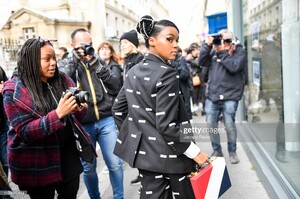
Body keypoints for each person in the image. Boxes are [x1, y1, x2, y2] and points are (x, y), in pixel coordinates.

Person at [112, 15, 209, 198]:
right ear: (152, 41)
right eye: (169, 39)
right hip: (174, 159)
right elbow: (166, 126)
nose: (175, 45)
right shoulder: (167, 74)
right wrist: (195, 153)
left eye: (177, 40)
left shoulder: (133, 71)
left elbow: (117, 109)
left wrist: (138, 138)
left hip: (146, 160)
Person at [3, 37, 93, 199]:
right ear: (31, 61)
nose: (53, 63)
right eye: (47, 59)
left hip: (67, 155)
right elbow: (25, 131)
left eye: (54, 58)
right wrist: (58, 114)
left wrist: (78, 109)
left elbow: (79, 116)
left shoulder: (63, 79)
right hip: (37, 161)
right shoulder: (13, 91)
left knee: (71, 193)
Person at [58, 28, 124, 199]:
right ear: (72, 46)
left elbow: (115, 86)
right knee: (88, 167)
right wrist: (75, 58)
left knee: (115, 164)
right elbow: (62, 78)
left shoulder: (98, 61)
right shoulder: (66, 62)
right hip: (82, 122)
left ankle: (119, 197)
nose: (86, 49)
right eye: (82, 45)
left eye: (89, 44)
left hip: (105, 118)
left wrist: (95, 63)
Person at [198, 30, 246, 164]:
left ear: (232, 41)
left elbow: (234, 67)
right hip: (213, 96)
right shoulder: (214, 52)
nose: (224, 43)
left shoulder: (239, 52)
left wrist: (221, 52)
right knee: (211, 124)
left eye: (227, 41)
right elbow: (201, 62)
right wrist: (207, 46)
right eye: (221, 40)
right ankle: (217, 150)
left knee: (229, 125)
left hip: (230, 96)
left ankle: (232, 152)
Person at [119, 29, 144, 186]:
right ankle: (143, 172)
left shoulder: (138, 59)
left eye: (125, 43)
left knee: (142, 141)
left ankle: (147, 173)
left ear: (133, 44)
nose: (122, 45)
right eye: (121, 43)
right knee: (137, 142)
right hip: (131, 105)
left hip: (139, 106)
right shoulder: (127, 60)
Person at [169, 47, 193, 120]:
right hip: (171, 91)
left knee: (185, 114)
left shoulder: (181, 59)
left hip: (182, 90)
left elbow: (184, 75)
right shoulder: (164, 60)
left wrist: (173, 64)